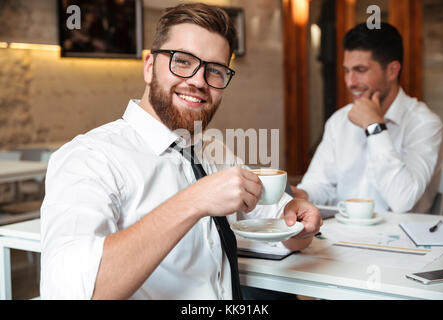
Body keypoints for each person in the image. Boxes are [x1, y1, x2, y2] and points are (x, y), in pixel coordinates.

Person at [40, 3, 322, 300]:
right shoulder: (89, 159)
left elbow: (277, 229)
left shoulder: (213, 150)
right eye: (183, 61)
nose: (199, 81)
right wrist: (193, 201)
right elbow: (72, 291)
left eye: (214, 70)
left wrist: (298, 225)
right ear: (149, 67)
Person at [292, 22, 443, 214]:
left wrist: (374, 126)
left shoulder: (425, 125)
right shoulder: (339, 121)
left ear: (392, 70)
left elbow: (402, 200)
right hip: (342, 236)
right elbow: (321, 185)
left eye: (360, 70)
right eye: (347, 70)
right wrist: (302, 194)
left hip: (402, 241)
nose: (350, 82)